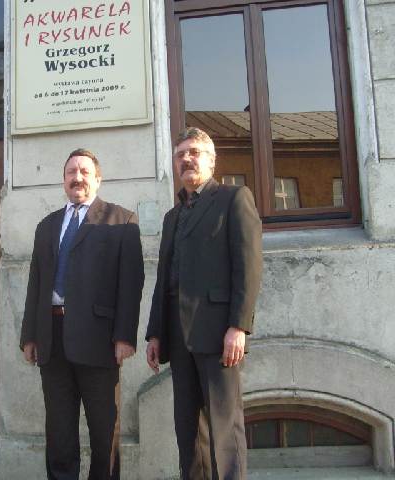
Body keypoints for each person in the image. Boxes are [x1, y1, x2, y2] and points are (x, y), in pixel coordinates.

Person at [145, 127, 262, 480]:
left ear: (211, 160)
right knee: (189, 430)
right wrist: (155, 333)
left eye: (194, 152)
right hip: (178, 336)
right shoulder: (172, 216)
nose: (186, 159)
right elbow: (164, 278)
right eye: (180, 154)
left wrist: (238, 326)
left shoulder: (233, 198)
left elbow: (248, 266)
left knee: (225, 429)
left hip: (217, 332)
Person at [20, 148, 144, 480]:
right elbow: (36, 283)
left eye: (85, 172)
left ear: (98, 179)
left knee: (104, 431)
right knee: (59, 431)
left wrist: (124, 336)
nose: (78, 178)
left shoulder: (121, 220)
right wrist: (30, 335)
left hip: (99, 341)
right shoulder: (47, 226)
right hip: (52, 338)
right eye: (71, 172)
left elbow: (130, 284)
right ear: (63, 180)